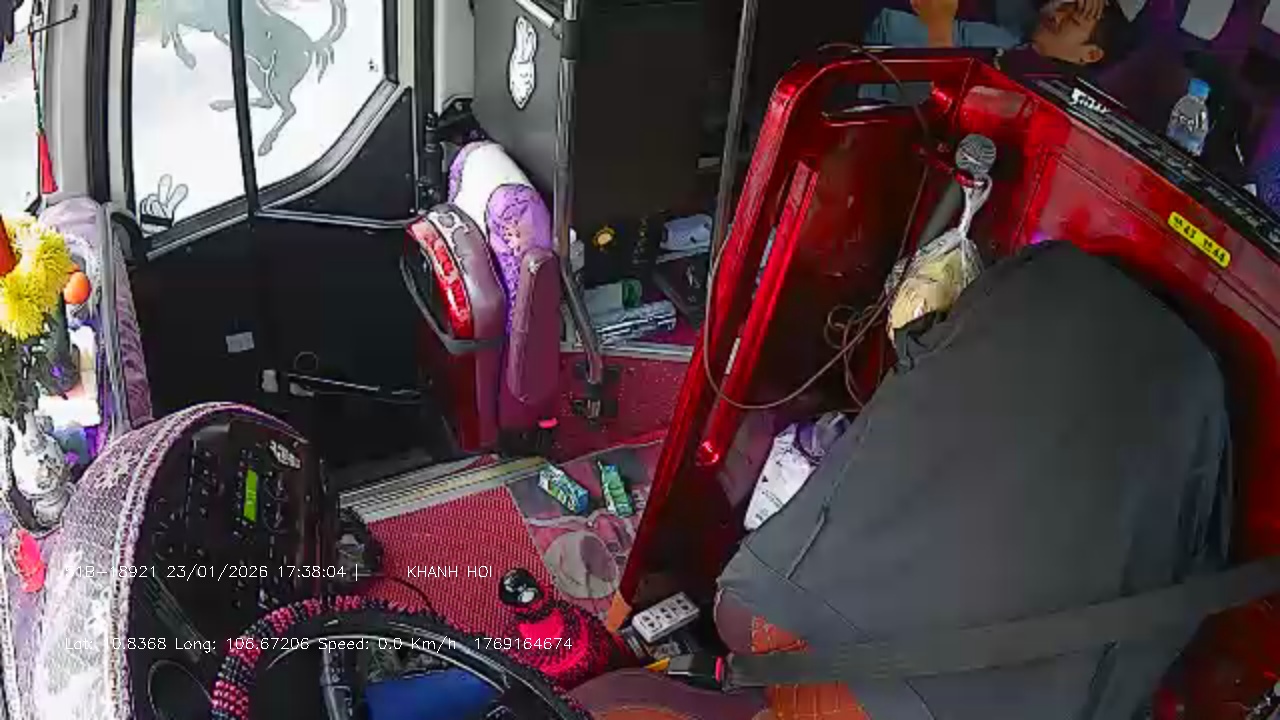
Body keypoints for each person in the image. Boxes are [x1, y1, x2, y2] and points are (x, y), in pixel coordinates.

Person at [864, 0, 1135, 68]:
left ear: (1091, 54)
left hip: (869, 70)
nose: (1057, 16)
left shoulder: (1035, 86)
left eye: (1072, 21)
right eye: (1064, 7)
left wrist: (940, 26)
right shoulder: (1021, 28)